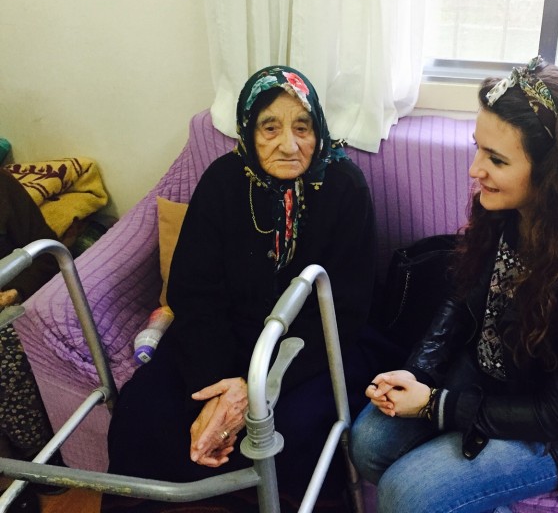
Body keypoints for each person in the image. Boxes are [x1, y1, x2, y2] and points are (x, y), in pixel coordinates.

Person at [350, 56, 558, 513]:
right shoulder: (505, 209)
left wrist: (434, 405)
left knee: (404, 492)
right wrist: (418, 374)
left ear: (552, 171)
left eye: (495, 159)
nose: (475, 170)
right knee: (368, 443)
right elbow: (460, 302)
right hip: (490, 379)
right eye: (478, 149)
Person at [106, 66, 378, 510]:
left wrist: (257, 388)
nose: (289, 144)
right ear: (249, 131)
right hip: (220, 340)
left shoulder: (344, 187)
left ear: (318, 129)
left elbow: (347, 308)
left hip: (307, 348)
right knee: (142, 409)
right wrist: (219, 386)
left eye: (302, 127)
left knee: (296, 427)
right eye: (270, 128)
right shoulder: (223, 181)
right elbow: (194, 292)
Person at [1, 167, 62, 512]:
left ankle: (36, 461)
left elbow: (46, 255)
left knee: (4, 353)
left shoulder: (3, 188)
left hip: (8, 300)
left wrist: (12, 292)